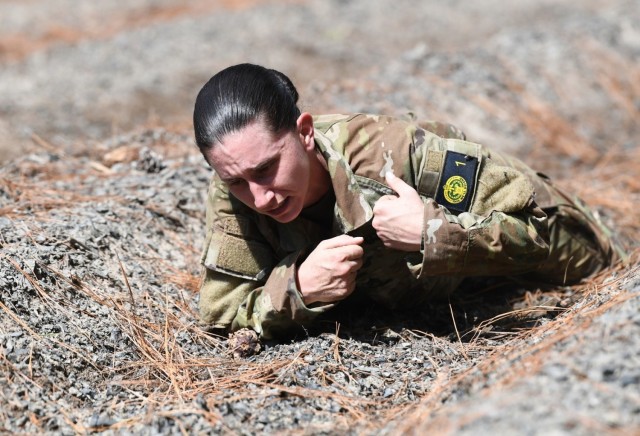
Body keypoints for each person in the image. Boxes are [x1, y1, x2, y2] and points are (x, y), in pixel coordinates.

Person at [192, 63, 625, 340]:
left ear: (304, 132)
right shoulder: (236, 191)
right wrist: (298, 288)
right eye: (236, 180)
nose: (260, 196)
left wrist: (433, 234)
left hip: (563, 260)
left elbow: (552, 236)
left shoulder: (397, 153)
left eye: (267, 168)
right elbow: (221, 311)